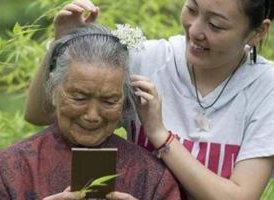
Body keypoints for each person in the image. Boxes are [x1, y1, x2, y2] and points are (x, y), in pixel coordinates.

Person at [24, 0, 274, 199]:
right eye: (192, 9)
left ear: (258, 31)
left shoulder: (266, 88)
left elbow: (240, 195)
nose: (196, 30)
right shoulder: (147, 59)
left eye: (216, 25)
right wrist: (61, 43)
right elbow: (41, 113)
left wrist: (159, 135)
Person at [0, 24, 181, 200]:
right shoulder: (7, 169)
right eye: (79, 98)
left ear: (125, 101)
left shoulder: (152, 177)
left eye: (109, 101)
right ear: (53, 91)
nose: (92, 116)